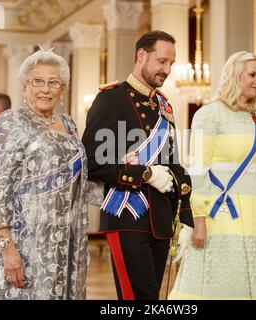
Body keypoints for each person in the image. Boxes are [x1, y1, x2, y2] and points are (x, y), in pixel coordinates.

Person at [0, 48, 89, 300]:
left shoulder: (68, 123)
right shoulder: (11, 121)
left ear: (63, 90)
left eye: (53, 82)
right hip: (22, 239)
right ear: (25, 87)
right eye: (38, 81)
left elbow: (74, 180)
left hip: (59, 240)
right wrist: (7, 248)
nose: (45, 88)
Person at [82, 30, 194, 300]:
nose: (167, 70)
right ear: (141, 55)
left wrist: (188, 217)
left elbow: (173, 163)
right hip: (128, 216)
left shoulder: (163, 105)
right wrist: (143, 173)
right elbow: (91, 163)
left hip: (161, 219)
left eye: (171, 63)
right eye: (162, 61)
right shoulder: (112, 98)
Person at [168, 51, 256, 300]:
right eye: (252, 74)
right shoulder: (208, 115)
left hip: (254, 218)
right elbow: (198, 172)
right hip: (219, 215)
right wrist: (198, 221)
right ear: (235, 76)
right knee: (220, 285)